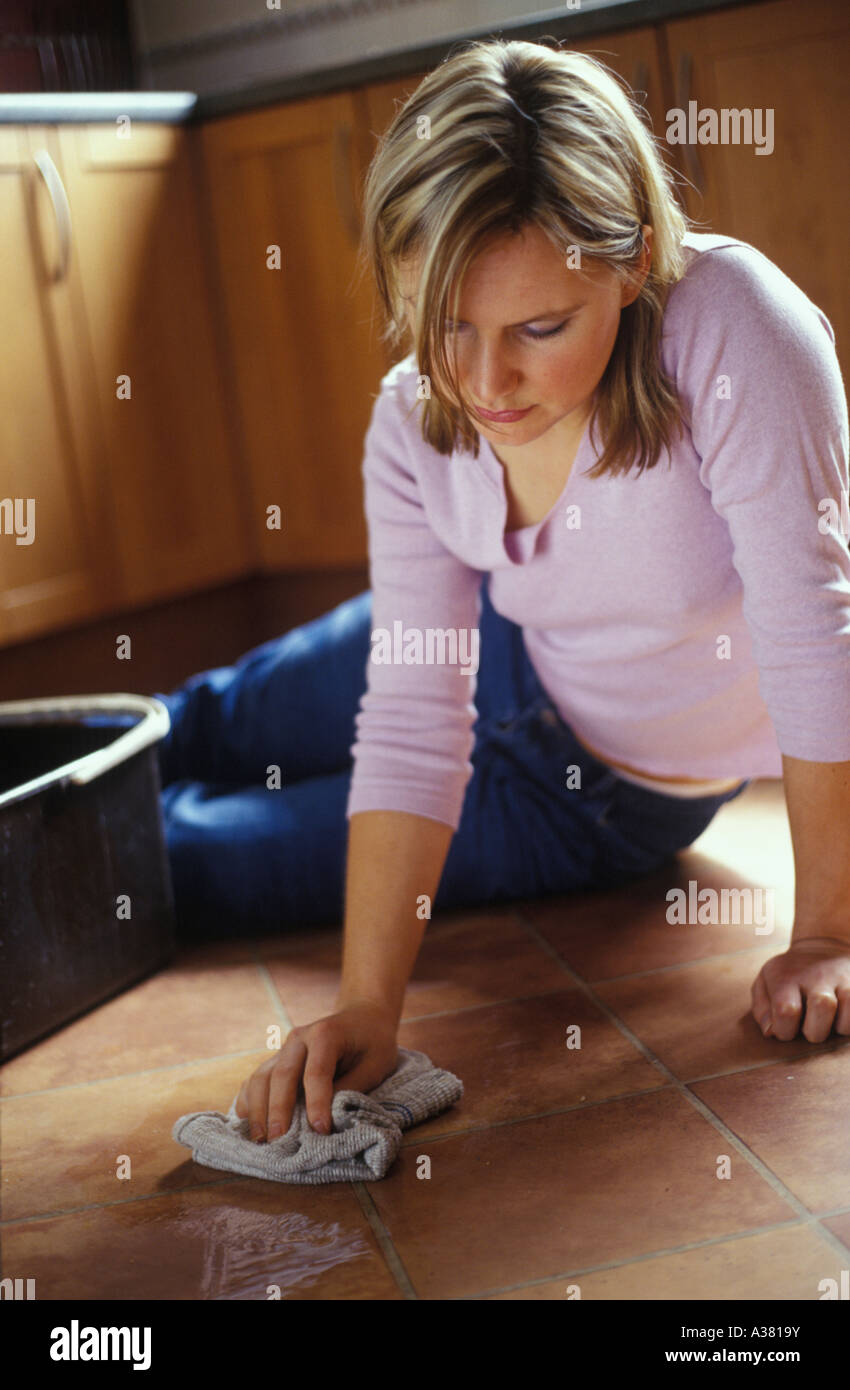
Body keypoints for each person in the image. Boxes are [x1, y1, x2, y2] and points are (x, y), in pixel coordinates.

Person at [153, 39, 850, 1146]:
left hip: (597, 791)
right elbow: (413, 714)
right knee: (202, 719)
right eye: (447, 325)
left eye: (539, 328)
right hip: (500, 636)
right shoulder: (409, 414)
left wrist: (823, 931)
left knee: (175, 857)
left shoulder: (735, 329)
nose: (482, 385)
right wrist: (371, 1003)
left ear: (631, 264)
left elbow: (815, 635)